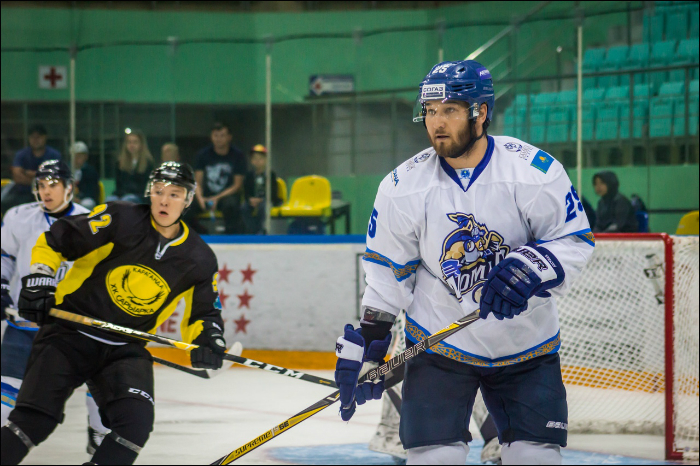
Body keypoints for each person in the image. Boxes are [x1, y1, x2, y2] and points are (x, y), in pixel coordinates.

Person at [334, 60, 594, 465]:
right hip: (439, 347)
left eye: (450, 110)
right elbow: (387, 275)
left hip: (527, 347)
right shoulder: (401, 187)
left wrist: (531, 266)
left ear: (481, 112)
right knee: (432, 459)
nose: (437, 123)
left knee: (535, 458)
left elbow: (574, 240)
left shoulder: (533, 171)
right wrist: (370, 345)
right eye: (430, 111)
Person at [1, 161, 227, 465]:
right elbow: (55, 240)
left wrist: (208, 339)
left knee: (134, 426)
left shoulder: (199, 258)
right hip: (69, 334)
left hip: (124, 349)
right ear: (149, 192)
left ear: (187, 200)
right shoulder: (120, 217)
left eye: (174, 194)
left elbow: (204, 313)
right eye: (158, 191)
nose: (164, 200)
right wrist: (40, 277)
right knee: (34, 421)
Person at [0, 160, 111, 455]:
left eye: (53, 185)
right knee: (4, 401)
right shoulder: (18, 217)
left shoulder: (91, 222)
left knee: (104, 384)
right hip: (24, 327)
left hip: (71, 331)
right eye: (41, 185)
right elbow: (4, 256)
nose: (46, 192)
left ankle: (100, 434)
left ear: (69, 187)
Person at [192, 122, 246, 234]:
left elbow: (237, 185)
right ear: (211, 137)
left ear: (229, 137)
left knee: (231, 205)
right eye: (215, 135)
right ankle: (196, 234)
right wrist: (200, 198)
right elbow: (197, 182)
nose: (218, 139)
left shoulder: (238, 156)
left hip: (226, 196)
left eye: (222, 135)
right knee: (185, 205)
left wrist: (216, 198)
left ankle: (230, 237)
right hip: (205, 196)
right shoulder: (202, 155)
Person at [1, 125, 62, 217]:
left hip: (46, 193)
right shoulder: (21, 154)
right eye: (33, 137)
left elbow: (54, 177)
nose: (35, 140)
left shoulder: (54, 155)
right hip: (23, 192)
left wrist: (26, 173)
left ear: (45, 137)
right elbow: (17, 177)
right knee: (6, 204)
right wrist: (40, 175)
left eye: (39, 137)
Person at [242, 144, 282, 234]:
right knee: (244, 208)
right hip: (252, 201)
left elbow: (273, 192)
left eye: (260, 159)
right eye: (255, 159)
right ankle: (251, 230)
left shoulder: (270, 174)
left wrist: (261, 199)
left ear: (266, 160)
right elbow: (246, 191)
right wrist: (250, 199)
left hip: (266, 200)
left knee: (263, 207)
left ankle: (261, 230)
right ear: (251, 161)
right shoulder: (249, 176)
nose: (258, 161)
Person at [107, 129, 154, 203]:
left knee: (127, 200)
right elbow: (118, 185)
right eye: (129, 142)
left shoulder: (148, 163)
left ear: (141, 144)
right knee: (109, 200)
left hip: (139, 197)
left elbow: (146, 188)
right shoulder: (119, 163)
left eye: (135, 142)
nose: (131, 145)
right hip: (123, 195)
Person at [72, 141, 101, 211]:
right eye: (75, 156)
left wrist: (79, 198)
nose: (76, 158)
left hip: (85, 198)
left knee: (87, 204)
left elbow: (92, 191)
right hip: (70, 199)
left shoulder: (91, 171)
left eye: (80, 156)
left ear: (86, 157)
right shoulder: (67, 170)